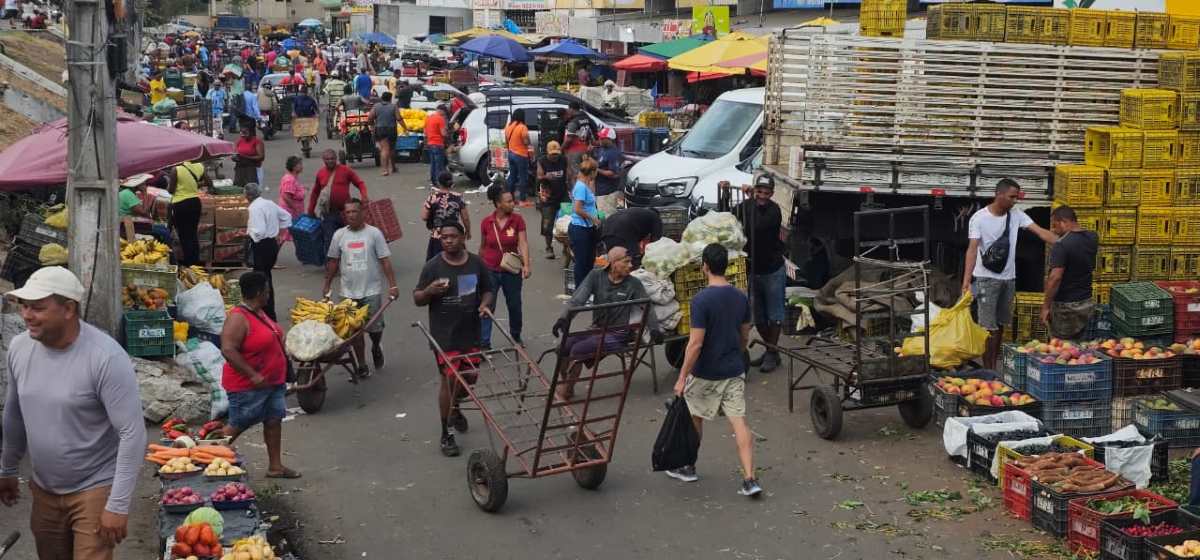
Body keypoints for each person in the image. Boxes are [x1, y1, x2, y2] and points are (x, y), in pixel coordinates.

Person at [0, 267, 148, 559]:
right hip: (44, 488)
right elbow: (15, 412)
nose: (27, 315)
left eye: (38, 308)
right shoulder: (19, 348)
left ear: (68, 309)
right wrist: (8, 467)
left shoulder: (105, 357)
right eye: (24, 306)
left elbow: (132, 433)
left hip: (94, 487)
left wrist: (117, 504)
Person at [666, 243, 762, 497]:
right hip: (733, 369)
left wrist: (682, 376)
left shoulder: (701, 300)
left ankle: (689, 466)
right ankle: (750, 479)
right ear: (726, 266)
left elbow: (695, 343)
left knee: (696, 417)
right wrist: (738, 353)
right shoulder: (740, 297)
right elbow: (744, 333)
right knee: (739, 422)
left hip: (705, 372)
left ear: (705, 266)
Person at [414, 222, 494, 457]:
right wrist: (429, 292)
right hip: (444, 336)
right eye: (444, 237)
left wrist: (485, 304)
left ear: (463, 237)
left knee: (468, 380)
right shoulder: (433, 266)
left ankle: (456, 407)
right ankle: (445, 433)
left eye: (452, 236)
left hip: (470, 333)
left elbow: (489, 289)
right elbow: (417, 298)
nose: (447, 240)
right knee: (449, 380)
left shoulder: (476, 263)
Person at [962, 179, 1057, 369]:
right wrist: (966, 281)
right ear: (999, 195)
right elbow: (972, 250)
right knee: (988, 327)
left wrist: (1067, 243)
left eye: (1017, 197)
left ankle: (992, 366)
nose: (1015, 201)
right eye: (1012, 197)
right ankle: (988, 368)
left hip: (1008, 279)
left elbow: (1040, 232)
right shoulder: (979, 218)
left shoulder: (1016, 214)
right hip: (986, 279)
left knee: (1001, 324)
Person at [219, 271, 301, 479]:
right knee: (237, 424)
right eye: (266, 290)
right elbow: (228, 349)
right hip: (248, 386)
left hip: (272, 383)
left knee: (274, 420)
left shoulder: (260, 312)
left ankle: (276, 466)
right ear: (258, 293)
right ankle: (204, 458)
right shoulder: (238, 317)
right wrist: (252, 374)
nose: (268, 294)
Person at [552, 246, 657, 401]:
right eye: (626, 262)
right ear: (613, 264)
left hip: (618, 334)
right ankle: (567, 382)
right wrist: (563, 319)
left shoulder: (633, 283)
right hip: (597, 328)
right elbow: (577, 299)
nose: (631, 266)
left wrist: (654, 329)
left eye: (631, 262)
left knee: (578, 350)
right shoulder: (596, 276)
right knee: (562, 346)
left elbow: (647, 306)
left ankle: (567, 390)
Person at [322, 200, 399, 376]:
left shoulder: (374, 234)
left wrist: (393, 285)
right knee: (354, 332)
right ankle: (362, 365)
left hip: (371, 290)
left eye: (354, 212)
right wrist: (326, 284)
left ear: (362, 213)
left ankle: (376, 346)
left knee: (375, 328)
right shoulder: (339, 235)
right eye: (348, 213)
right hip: (348, 292)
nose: (351, 215)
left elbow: (384, 260)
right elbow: (333, 261)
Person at [734, 176, 787, 373]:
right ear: (755, 190)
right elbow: (729, 218)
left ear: (771, 194)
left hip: (772, 269)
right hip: (752, 269)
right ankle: (771, 350)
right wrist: (724, 192)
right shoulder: (746, 205)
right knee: (758, 317)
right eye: (759, 192)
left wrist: (751, 201)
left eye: (766, 193)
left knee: (775, 315)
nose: (762, 196)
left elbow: (758, 225)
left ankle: (772, 353)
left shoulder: (773, 211)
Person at [479, 186, 531, 348]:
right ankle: (484, 342)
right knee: (487, 306)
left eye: (512, 200)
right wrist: (478, 269)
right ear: (498, 204)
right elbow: (482, 247)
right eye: (508, 201)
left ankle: (516, 336)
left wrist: (526, 264)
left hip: (511, 271)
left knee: (514, 305)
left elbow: (522, 242)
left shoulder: (517, 221)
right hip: (489, 270)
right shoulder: (486, 222)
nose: (513, 203)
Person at [1042, 205, 1098, 340]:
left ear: (1064, 222)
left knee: (1062, 349)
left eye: (1055, 225)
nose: (1053, 230)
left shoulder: (1061, 245)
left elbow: (1055, 278)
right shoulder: (1092, 237)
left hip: (1065, 306)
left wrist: (1045, 307)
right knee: (1082, 349)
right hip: (1086, 301)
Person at [245, 182, 292, 321]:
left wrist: (249, 233)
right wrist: (278, 232)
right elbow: (286, 217)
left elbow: (258, 231)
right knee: (266, 276)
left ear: (247, 195)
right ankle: (268, 310)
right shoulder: (269, 203)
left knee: (261, 279)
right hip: (271, 244)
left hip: (262, 245)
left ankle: (267, 312)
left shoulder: (254, 208)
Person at [309, 149, 368, 257]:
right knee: (330, 240)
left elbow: (360, 183)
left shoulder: (346, 170)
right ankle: (330, 266)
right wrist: (310, 210)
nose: (330, 161)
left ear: (336, 159)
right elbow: (315, 193)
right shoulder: (320, 173)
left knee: (350, 238)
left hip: (346, 213)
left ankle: (352, 260)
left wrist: (364, 196)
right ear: (323, 160)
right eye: (327, 159)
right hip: (329, 213)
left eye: (332, 158)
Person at [421, 171, 470, 261]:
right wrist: (468, 231)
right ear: (451, 183)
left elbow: (424, 216)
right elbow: (465, 218)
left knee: (436, 264)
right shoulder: (458, 197)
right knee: (459, 261)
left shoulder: (433, 197)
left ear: (439, 183)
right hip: (455, 234)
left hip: (438, 235)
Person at [166, 160, 209, 266]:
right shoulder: (199, 165)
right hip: (195, 202)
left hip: (180, 204)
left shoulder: (175, 170)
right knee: (193, 233)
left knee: (184, 235)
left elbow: (171, 190)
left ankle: (189, 264)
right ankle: (195, 262)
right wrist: (194, 184)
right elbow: (208, 182)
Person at [569, 158, 601, 293]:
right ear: (592, 172)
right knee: (582, 263)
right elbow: (577, 209)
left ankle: (587, 291)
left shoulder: (585, 184)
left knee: (589, 261)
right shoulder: (581, 187)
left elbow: (591, 199)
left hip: (588, 229)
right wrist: (593, 218)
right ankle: (580, 292)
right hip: (580, 229)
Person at [536, 140, 569, 259]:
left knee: (567, 221)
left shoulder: (563, 159)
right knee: (547, 224)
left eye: (556, 154)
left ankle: (567, 248)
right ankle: (549, 247)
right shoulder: (542, 161)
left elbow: (568, 173)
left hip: (563, 194)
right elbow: (539, 176)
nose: (555, 156)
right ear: (547, 153)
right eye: (552, 154)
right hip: (548, 196)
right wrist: (545, 177)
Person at [503, 111, 533, 206]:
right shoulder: (522, 127)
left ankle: (511, 199)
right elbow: (526, 142)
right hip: (521, 155)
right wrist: (530, 148)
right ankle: (522, 200)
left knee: (512, 176)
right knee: (523, 177)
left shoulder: (508, 127)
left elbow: (506, 142)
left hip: (511, 154)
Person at [594, 127, 624, 215]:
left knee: (607, 216)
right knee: (601, 215)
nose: (600, 139)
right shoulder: (602, 149)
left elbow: (613, 173)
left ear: (609, 139)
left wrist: (597, 169)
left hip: (608, 192)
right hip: (600, 190)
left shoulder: (613, 153)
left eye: (602, 138)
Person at [277, 155, 306, 243]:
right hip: (289, 213)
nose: (302, 166)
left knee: (289, 235)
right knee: (284, 236)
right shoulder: (289, 179)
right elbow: (286, 196)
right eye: (299, 164)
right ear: (294, 167)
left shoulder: (293, 177)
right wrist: (295, 208)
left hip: (292, 213)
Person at [369, 91, 399, 176]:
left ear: (382, 98)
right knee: (392, 149)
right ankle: (393, 167)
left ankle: (384, 170)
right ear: (390, 99)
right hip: (391, 129)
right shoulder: (393, 106)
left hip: (380, 129)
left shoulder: (376, 106)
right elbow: (398, 118)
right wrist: (405, 128)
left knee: (384, 149)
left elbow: (370, 117)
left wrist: (372, 126)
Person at [561, 103, 593, 181]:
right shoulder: (586, 119)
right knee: (585, 172)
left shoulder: (574, 122)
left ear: (571, 109)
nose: (568, 111)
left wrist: (561, 148)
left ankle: (578, 192)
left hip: (574, 151)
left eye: (569, 109)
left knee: (575, 174)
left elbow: (569, 139)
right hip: (584, 148)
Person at [233, 120, 266, 188]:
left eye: (245, 132)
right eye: (241, 132)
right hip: (241, 170)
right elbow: (236, 153)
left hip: (255, 170)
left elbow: (261, 157)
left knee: (254, 190)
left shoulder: (257, 142)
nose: (242, 134)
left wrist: (245, 157)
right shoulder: (239, 141)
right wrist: (235, 158)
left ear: (251, 132)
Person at [424, 104, 449, 187]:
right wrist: (447, 132)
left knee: (433, 164)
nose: (444, 115)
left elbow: (425, 132)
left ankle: (434, 182)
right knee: (439, 165)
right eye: (444, 114)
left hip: (430, 143)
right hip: (438, 144)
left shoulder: (429, 118)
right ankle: (440, 183)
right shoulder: (440, 119)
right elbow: (443, 133)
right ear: (442, 111)